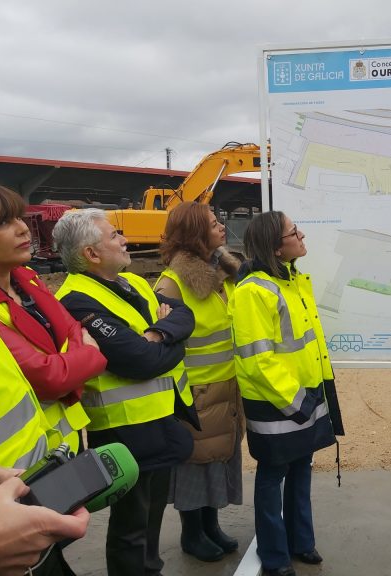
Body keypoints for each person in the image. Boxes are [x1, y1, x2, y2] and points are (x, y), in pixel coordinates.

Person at [0, 125, 89, 575]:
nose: (22, 230)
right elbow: (53, 373)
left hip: (24, 490)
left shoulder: (10, 287)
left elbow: (80, 346)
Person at [52, 208, 197, 576]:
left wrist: (161, 332)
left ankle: (151, 569)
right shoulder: (76, 301)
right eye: (114, 235)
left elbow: (184, 317)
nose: (125, 239)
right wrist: (166, 334)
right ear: (91, 253)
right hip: (124, 432)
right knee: (131, 527)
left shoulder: (130, 283)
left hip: (157, 424)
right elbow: (139, 361)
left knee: (151, 517)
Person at [229, 211, 344, 576]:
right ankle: (276, 556)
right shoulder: (253, 292)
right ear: (276, 249)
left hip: (303, 397)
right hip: (278, 402)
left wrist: (310, 397)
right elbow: (256, 361)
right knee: (271, 477)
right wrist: (297, 401)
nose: (302, 234)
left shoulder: (293, 281)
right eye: (295, 232)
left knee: (301, 470)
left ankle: (301, 542)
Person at [0, 184, 106, 453]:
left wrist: (70, 360)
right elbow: (49, 378)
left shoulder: (28, 281)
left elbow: (73, 332)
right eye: (3, 223)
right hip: (28, 456)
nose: (23, 228)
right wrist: (90, 353)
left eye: (19, 217)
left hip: (69, 439)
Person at [154, 202, 245, 562]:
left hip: (226, 388)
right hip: (197, 394)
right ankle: (192, 533)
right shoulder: (173, 284)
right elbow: (163, 342)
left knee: (219, 460)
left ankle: (211, 525)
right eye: (212, 224)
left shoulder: (221, 272)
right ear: (194, 234)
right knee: (195, 464)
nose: (221, 226)